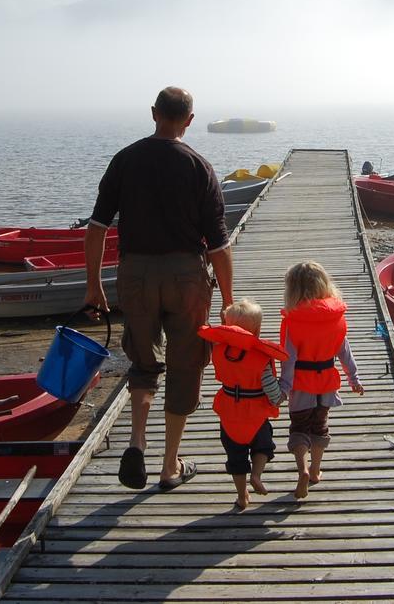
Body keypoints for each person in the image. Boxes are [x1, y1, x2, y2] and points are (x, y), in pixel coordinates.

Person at [84, 86, 234, 491]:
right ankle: (170, 465)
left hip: (136, 273)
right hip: (187, 276)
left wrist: (94, 286)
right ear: (189, 119)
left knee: (143, 363)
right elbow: (219, 246)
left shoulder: (125, 160)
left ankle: (136, 441)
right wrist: (229, 301)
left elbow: (97, 228)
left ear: (154, 113)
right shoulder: (199, 167)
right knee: (185, 367)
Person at [278, 261, 364, 499]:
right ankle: (315, 470)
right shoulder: (336, 317)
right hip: (326, 382)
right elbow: (345, 352)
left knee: (299, 428)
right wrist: (353, 378)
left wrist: (284, 387)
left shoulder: (292, 321)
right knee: (320, 426)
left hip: (301, 385)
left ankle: (302, 469)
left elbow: (289, 359)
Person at [199, 299, 286, 509]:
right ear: (256, 330)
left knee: (236, 456)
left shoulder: (219, 351)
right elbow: (270, 387)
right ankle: (256, 474)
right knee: (263, 447)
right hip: (256, 415)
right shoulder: (260, 357)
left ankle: (242, 495)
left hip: (230, 413)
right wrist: (279, 397)